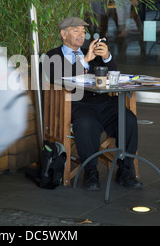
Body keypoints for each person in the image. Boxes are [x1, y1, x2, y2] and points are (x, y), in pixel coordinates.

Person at [44, 17, 142, 191]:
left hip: (105, 102)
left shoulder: (92, 53)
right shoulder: (53, 56)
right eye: (76, 31)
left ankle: (125, 170)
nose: (81, 35)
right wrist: (84, 60)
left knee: (128, 120)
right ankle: (91, 172)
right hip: (77, 105)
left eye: (83, 31)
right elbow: (59, 81)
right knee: (86, 124)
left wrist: (107, 57)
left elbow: (113, 77)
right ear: (63, 34)